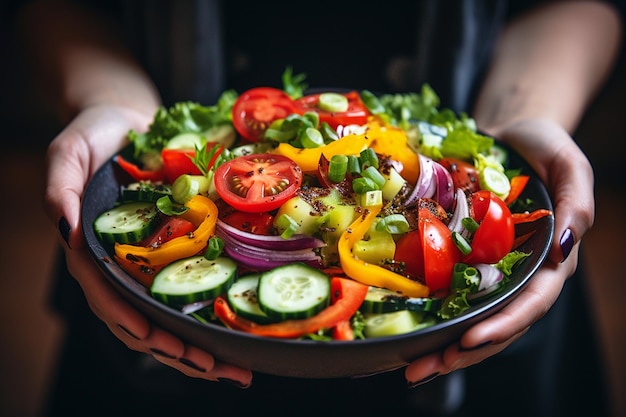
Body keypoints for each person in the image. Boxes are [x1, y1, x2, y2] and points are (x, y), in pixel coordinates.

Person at [9, 0, 623, 416]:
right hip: (151, 376)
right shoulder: (248, 172)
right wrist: (107, 99)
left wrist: (525, 114)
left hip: (488, 380)